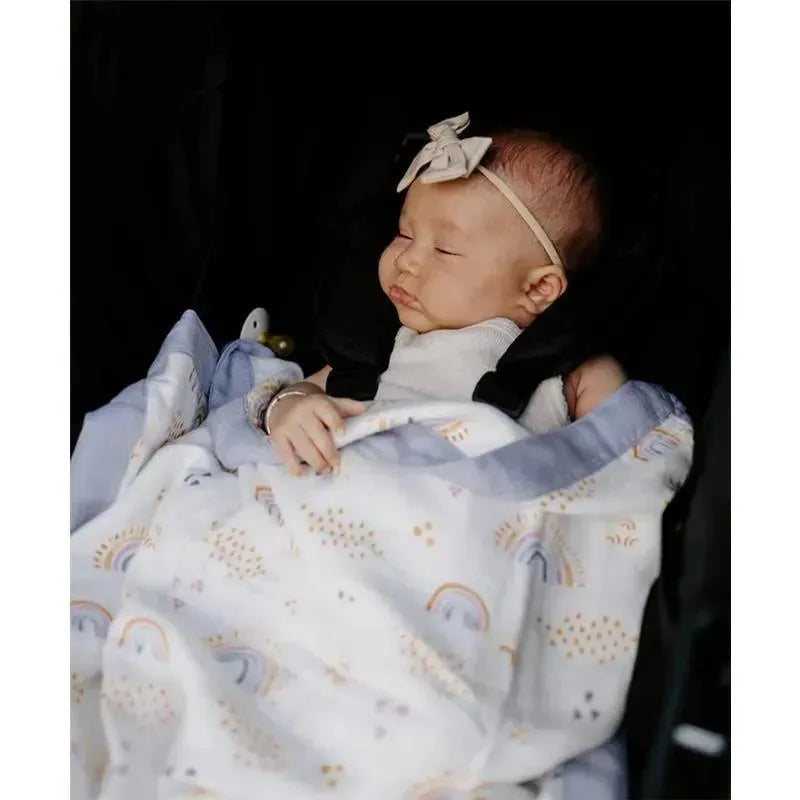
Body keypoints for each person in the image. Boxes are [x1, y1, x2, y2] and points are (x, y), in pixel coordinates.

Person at [251, 113, 626, 476]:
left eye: (445, 250)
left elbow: (632, 459)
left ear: (538, 288)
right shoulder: (376, 349)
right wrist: (290, 410)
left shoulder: (572, 371)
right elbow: (296, 392)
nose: (406, 260)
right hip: (358, 494)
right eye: (404, 234)